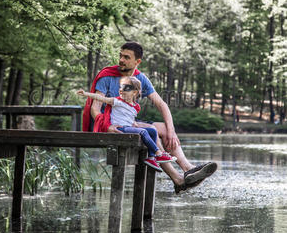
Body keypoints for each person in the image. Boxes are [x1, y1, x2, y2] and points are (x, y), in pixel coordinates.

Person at [82, 41, 217, 193]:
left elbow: (161, 104)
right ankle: (178, 179)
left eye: (126, 57)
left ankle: (188, 169)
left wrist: (171, 132)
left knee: (165, 129)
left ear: (137, 62)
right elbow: (95, 108)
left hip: (129, 122)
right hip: (110, 125)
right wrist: (107, 126)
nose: (121, 60)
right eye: (121, 56)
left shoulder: (140, 79)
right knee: (151, 129)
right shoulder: (107, 76)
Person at [77, 76, 175, 172]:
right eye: (121, 87)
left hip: (128, 127)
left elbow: (129, 118)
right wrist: (86, 94)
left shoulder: (136, 107)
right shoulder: (117, 101)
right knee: (143, 132)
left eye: (126, 88)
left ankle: (151, 157)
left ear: (135, 92)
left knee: (153, 130)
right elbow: (100, 98)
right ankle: (158, 153)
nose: (121, 90)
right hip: (120, 128)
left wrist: (134, 123)